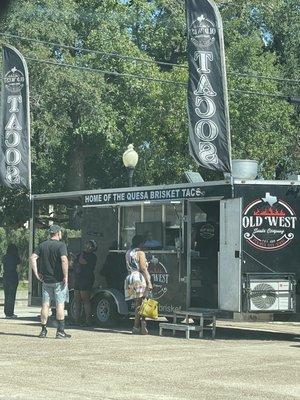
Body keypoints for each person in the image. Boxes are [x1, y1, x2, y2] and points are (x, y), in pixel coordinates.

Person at [30, 225, 71, 339]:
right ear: (58, 233)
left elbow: (33, 257)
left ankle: (43, 330)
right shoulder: (61, 245)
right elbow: (64, 260)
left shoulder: (42, 245)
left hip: (46, 281)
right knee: (60, 304)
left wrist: (36, 273)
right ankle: (60, 331)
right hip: (58, 280)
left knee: (45, 305)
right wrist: (66, 276)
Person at [124, 235, 152, 335]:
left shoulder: (128, 252)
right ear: (141, 243)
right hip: (138, 278)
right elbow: (143, 268)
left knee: (137, 303)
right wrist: (149, 282)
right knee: (143, 302)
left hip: (130, 278)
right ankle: (141, 324)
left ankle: (136, 326)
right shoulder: (140, 253)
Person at [73, 240, 97, 326]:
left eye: (90, 245)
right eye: (87, 244)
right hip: (78, 279)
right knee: (77, 300)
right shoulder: (80, 254)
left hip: (86, 279)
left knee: (86, 300)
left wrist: (80, 256)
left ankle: (88, 320)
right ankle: (77, 319)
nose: (87, 246)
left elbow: (82, 261)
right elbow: (74, 264)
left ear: (93, 248)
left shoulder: (92, 257)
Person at [2, 244, 21, 318]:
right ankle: (10, 313)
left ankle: (6, 313)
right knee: (12, 295)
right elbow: (19, 268)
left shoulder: (5, 257)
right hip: (13, 276)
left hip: (5, 276)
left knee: (6, 295)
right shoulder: (16, 257)